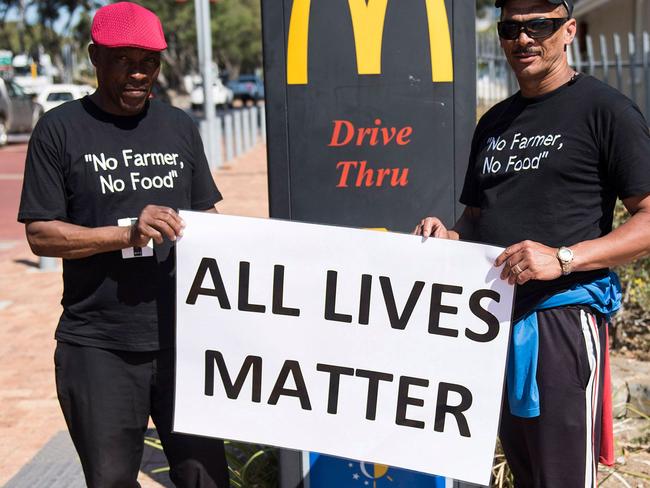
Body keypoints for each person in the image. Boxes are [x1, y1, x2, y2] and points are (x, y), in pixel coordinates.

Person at [415, 0, 650, 486]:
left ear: (568, 31)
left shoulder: (607, 111)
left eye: (539, 25)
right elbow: (478, 219)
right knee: (525, 476)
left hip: (560, 324)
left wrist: (564, 258)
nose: (523, 39)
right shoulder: (495, 123)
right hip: (490, 322)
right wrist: (449, 236)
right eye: (511, 28)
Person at [17, 3, 229, 487]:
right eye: (124, 60)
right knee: (111, 481)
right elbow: (41, 233)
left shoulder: (178, 126)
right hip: (99, 346)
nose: (139, 73)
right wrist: (127, 234)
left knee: (207, 479)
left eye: (149, 62)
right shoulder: (60, 129)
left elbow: (207, 217)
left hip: (184, 341)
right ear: (95, 57)